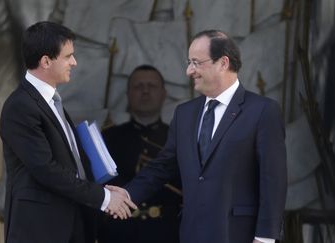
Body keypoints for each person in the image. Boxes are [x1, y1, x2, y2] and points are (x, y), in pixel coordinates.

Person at [107, 30, 287, 243]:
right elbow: (163, 166)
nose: (189, 70)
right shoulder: (185, 113)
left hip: (238, 234)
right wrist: (126, 195)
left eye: (196, 62)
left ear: (223, 63)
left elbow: (273, 179)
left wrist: (265, 237)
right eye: (189, 62)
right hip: (192, 233)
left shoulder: (262, 110)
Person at [0, 21, 136, 243]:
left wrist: (104, 190)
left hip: (72, 223)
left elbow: (72, 165)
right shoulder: (20, 106)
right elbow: (45, 169)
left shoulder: (52, 102)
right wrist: (103, 197)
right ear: (45, 61)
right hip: (41, 230)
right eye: (67, 56)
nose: (74, 62)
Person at [98, 65, 182, 243]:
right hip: (118, 233)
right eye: (138, 86)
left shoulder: (179, 139)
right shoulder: (107, 138)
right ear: (128, 94)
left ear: (164, 93)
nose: (145, 91)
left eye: (151, 86)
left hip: (167, 233)